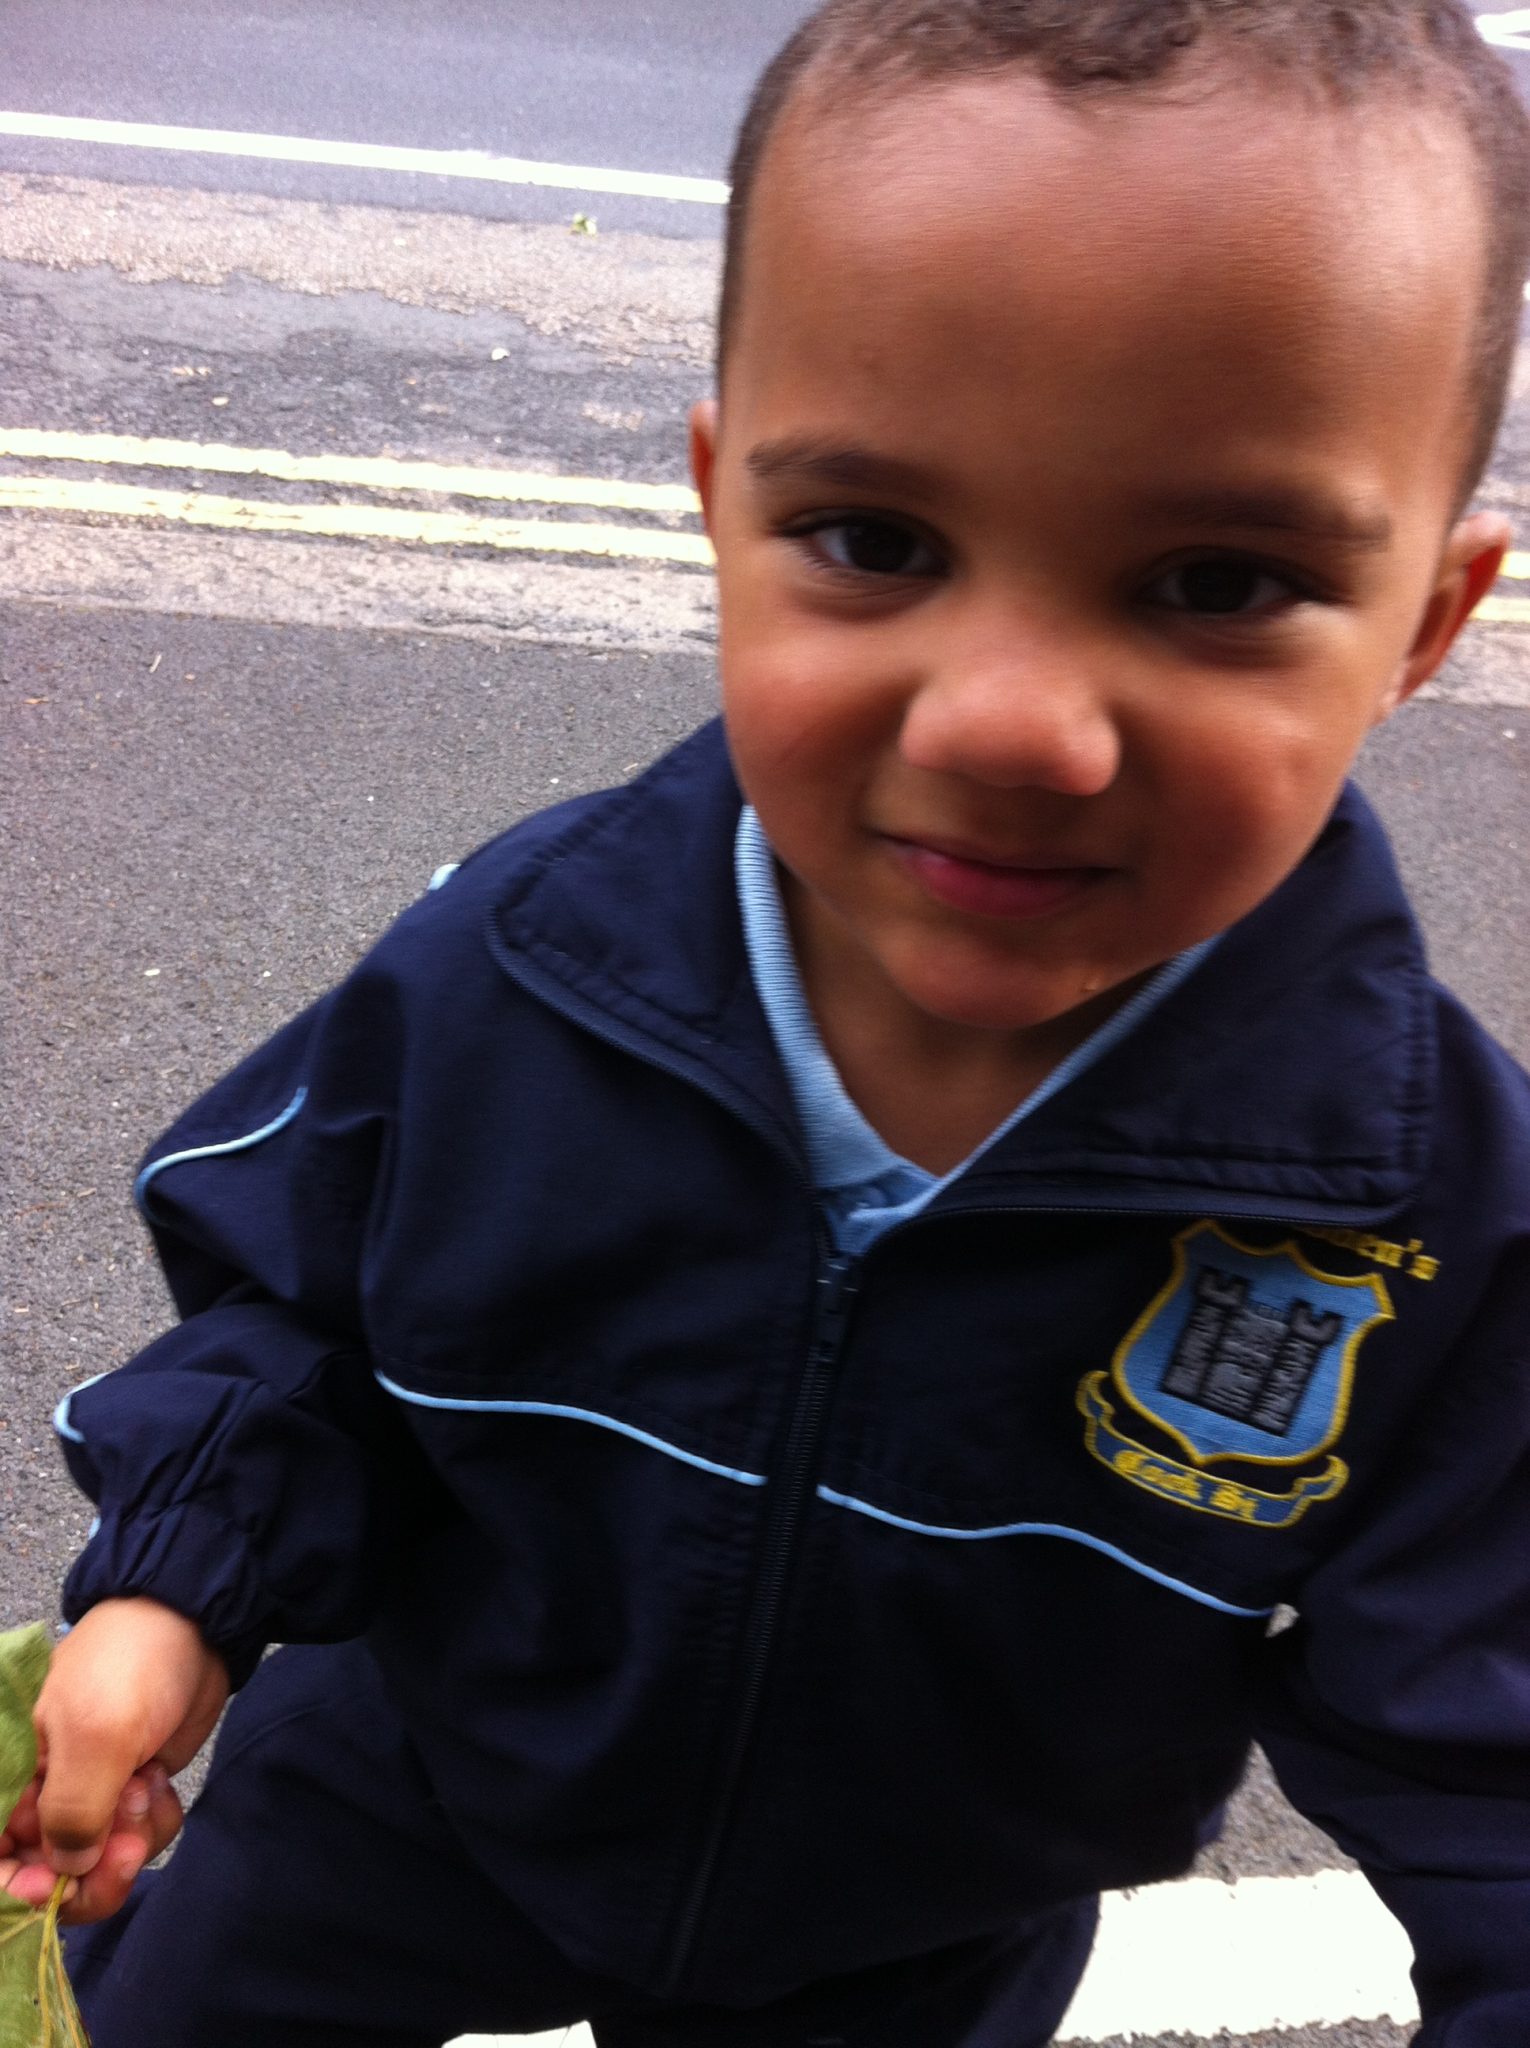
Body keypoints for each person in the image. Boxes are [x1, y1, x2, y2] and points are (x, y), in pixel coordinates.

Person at [5, 1, 1530, 2041]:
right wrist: (171, 1590)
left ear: (1427, 620)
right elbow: (301, 1311)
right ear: (722, 507)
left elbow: (1492, 1749)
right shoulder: (522, 965)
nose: (1008, 725)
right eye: (874, 543)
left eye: (1217, 582)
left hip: (901, 1935)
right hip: (411, 1789)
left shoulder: (1428, 1208)